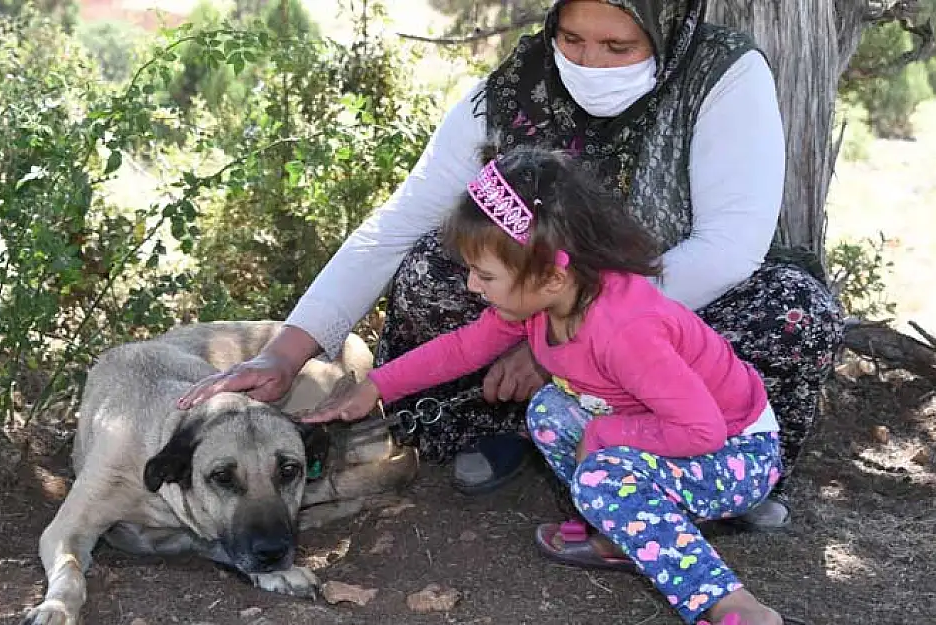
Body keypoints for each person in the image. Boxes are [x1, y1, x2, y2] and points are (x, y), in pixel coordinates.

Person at [177, 0, 844, 531]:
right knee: (431, 277)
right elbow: (399, 223)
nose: (591, 62)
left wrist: (571, 324)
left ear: (665, 27)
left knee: (792, 312)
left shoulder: (722, 74)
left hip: (662, 309)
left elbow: (730, 246)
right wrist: (287, 354)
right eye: (573, 40)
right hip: (540, 306)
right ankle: (504, 431)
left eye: (619, 47)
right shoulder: (513, 87)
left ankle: (720, 473)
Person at [300, 146, 785, 625]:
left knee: (602, 476)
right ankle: (624, 533)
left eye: (485, 274)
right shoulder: (549, 304)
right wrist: (377, 385)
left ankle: (734, 604)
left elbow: (702, 431)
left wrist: (601, 437)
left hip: (738, 451)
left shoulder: (626, 331)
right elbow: (463, 349)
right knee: (549, 410)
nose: (472, 286)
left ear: (552, 277)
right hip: (670, 430)